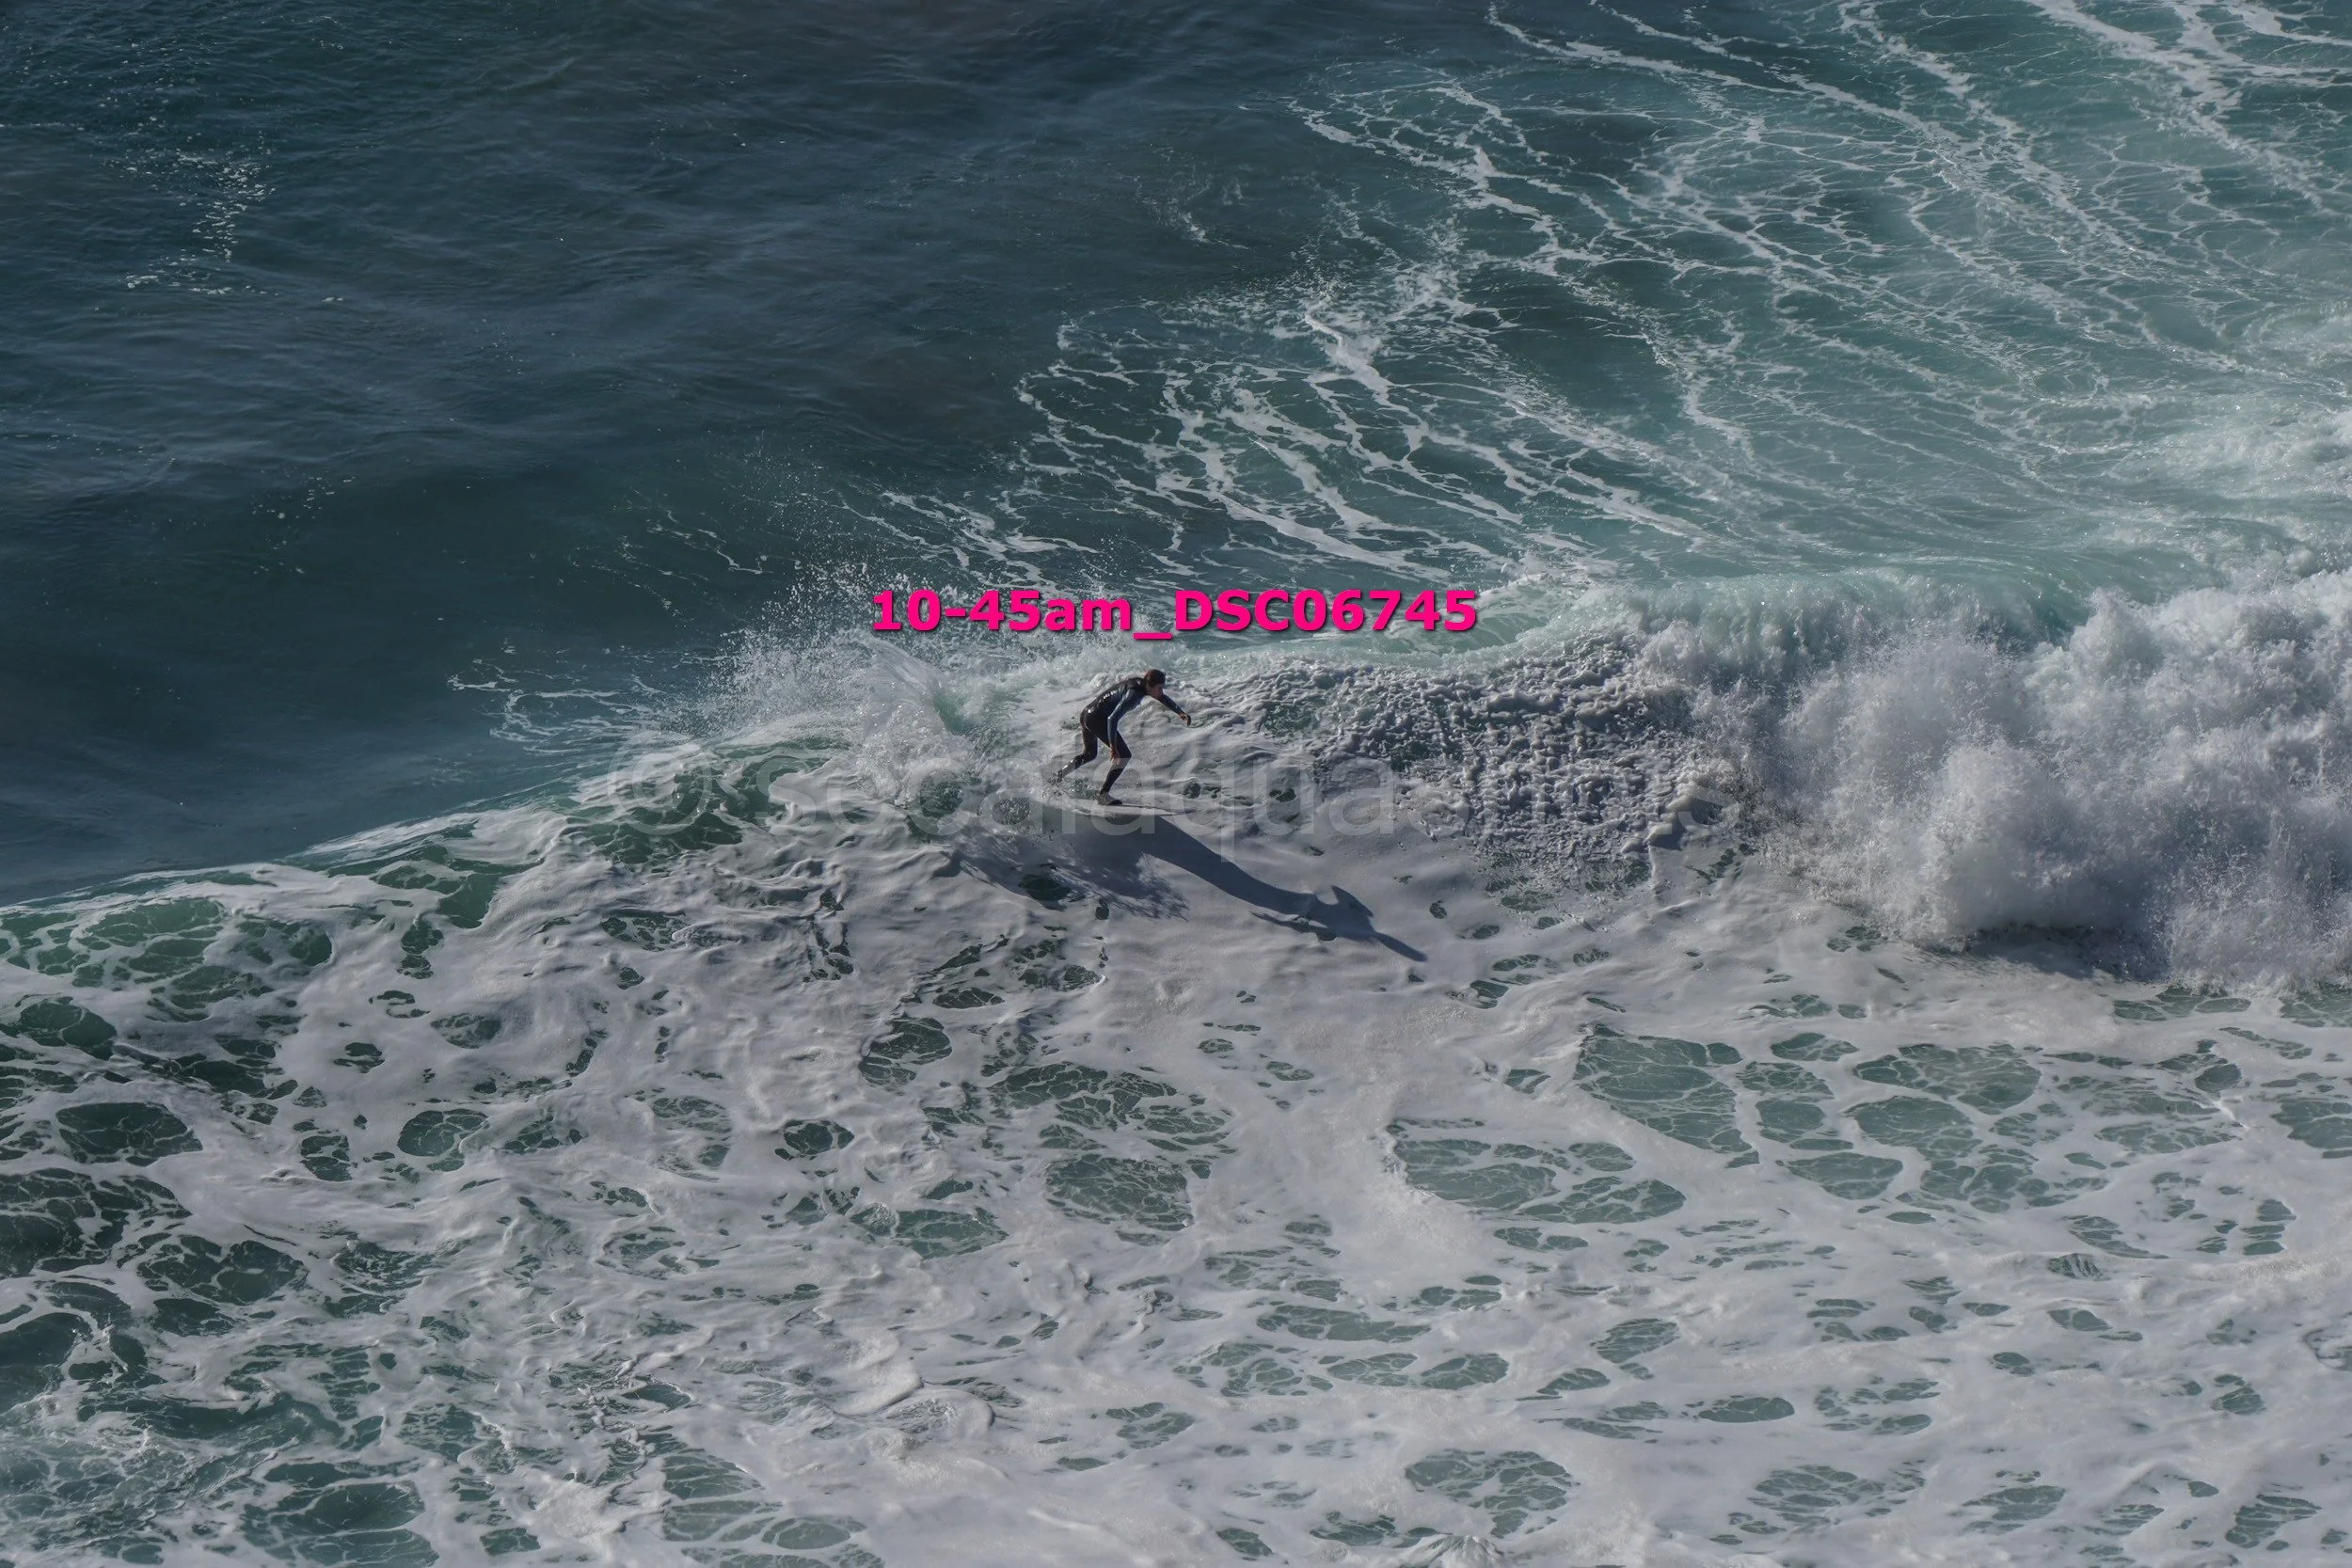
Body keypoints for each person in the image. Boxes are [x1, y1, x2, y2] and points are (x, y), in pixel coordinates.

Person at [1060, 669, 1191, 804]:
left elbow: (1162, 697)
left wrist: (1180, 712)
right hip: (1097, 719)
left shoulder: (1141, 684)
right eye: (1159, 688)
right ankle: (1103, 795)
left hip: (1087, 714)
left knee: (1089, 754)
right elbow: (1112, 719)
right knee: (1124, 755)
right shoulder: (1133, 695)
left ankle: (1057, 778)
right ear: (1150, 685)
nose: (1161, 692)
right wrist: (1113, 746)